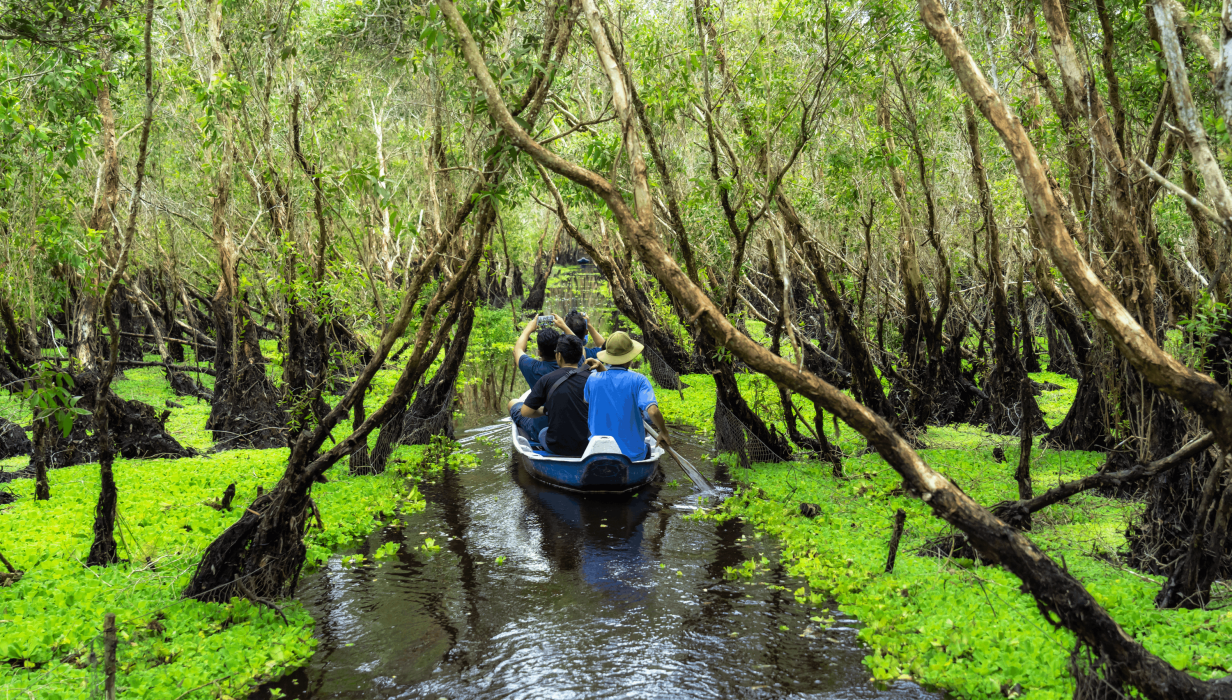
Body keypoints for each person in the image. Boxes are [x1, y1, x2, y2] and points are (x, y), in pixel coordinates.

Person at [583, 331, 672, 459]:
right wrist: (663, 432)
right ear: (630, 357)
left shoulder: (592, 379)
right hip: (632, 457)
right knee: (647, 447)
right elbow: (652, 411)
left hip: (597, 454)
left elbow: (587, 400)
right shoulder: (639, 380)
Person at [516, 335, 591, 456]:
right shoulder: (592, 378)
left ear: (559, 356)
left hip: (557, 447)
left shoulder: (547, 379)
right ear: (580, 356)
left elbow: (525, 412)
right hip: (586, 447)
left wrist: (546, 411)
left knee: (543, 432)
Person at [509, 317, 561, 437]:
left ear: (539, 352)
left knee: (513, 403)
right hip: (566, 428)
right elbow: (580, 349)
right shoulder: (573, 365)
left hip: (540, 430)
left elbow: (517, 350)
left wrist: (529, 329)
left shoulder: (533, 368)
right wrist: (564, 326)